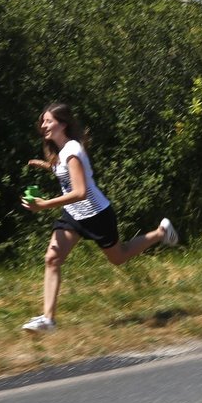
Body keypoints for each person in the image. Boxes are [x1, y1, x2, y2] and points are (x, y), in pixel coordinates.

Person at [20, 103, 179, 333]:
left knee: (118, 257)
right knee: (52, 258)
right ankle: (48, 320)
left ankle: (161, 232)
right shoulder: (60, 151)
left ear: (62, 124)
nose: (43, 125)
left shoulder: (72, 150)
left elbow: (80, 191)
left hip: (96, 214)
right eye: (42, 121)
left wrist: (45, 205)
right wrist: (45, 165)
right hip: (74, 215)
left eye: (48, 121)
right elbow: (65, 174)